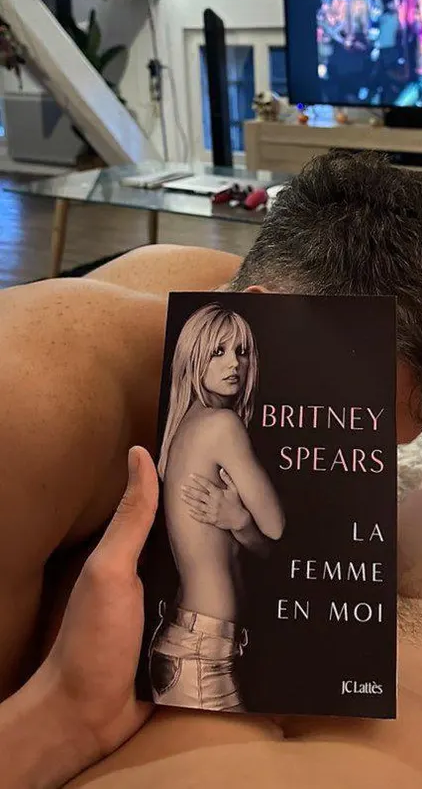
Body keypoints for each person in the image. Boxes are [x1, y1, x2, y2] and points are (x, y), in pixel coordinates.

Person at [0, 151, 422, 788]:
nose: (368, 473)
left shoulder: (222, 297)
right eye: (355, 426)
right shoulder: (25, 409)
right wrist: (63, 712)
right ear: (264, 326)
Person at [148, 304, 284, 712]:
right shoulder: (221, 427)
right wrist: (244, 519)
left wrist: (237, 519)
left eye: (242, 351)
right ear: (194, 358)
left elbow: (264, 547)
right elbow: (276, 526)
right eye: (218, 352)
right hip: (200, 654)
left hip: (194, 641)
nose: (234, 364)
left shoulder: (184, 429)